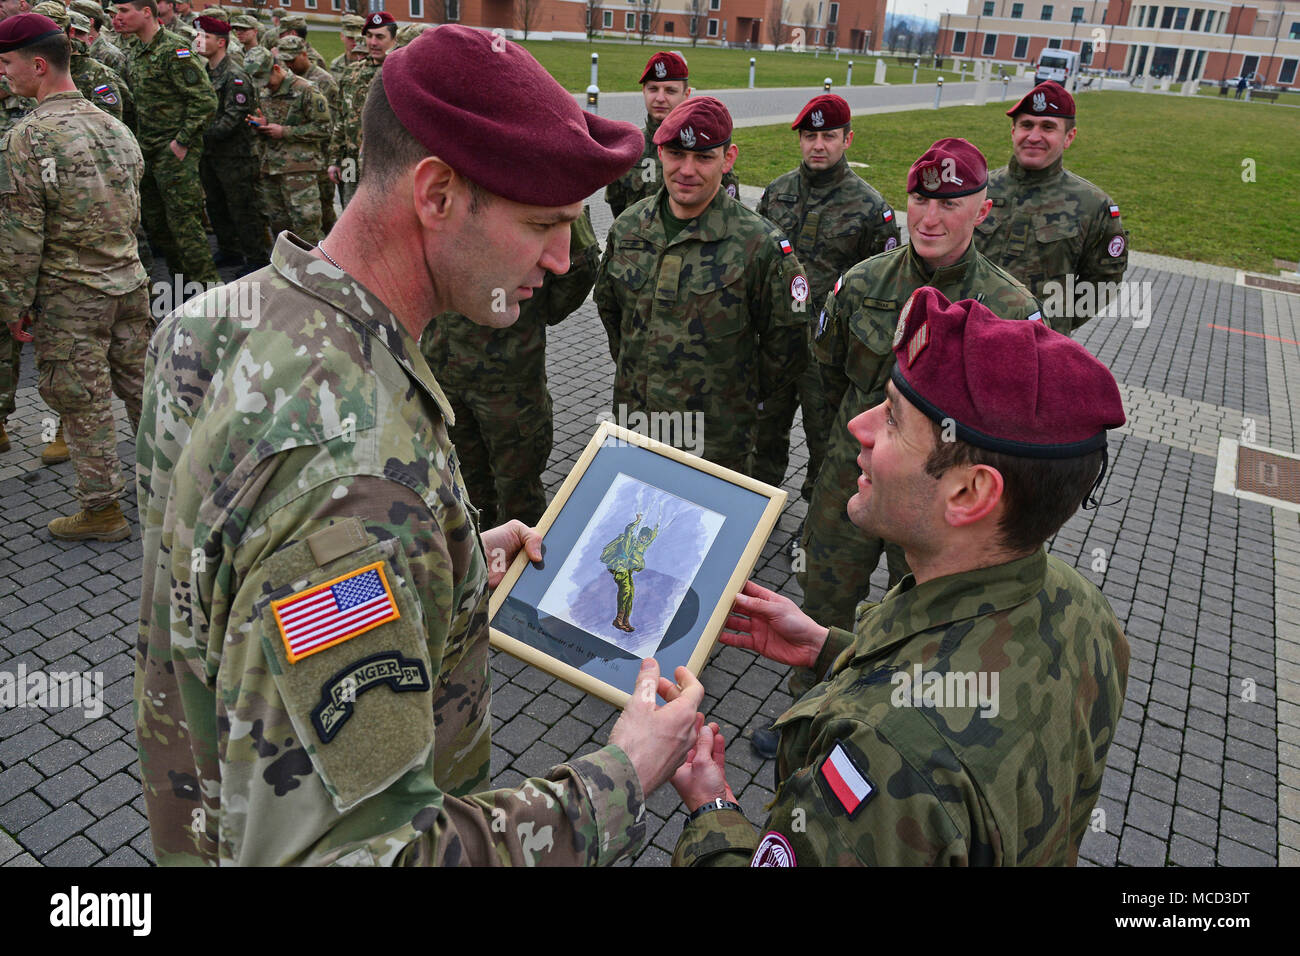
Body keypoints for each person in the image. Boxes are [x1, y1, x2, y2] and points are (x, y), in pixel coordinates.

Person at [135, 23, 707, 867]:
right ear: (435, 194)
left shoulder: (209, 324)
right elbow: (370, 858)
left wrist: (441, 562)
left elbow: (249, 579)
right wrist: (622, 774)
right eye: (543, 222)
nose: (559, 261)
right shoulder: (361, 478)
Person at [670, 287, 1130, 866]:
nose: (858, 428)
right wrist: (832, 650)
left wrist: (711, 809)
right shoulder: (1081, 605)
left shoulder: (886, 753)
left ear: (969, 492)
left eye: (890, 418)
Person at [799, 138, 1041, 638]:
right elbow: (825, 385)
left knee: (920, 627)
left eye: (949, 204)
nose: (929, 218)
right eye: (919, 200)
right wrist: (834, 458)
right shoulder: (862, 284)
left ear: (982, 211)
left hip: (937, 502)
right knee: (820, 609)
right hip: (851, 480)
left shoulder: (1010, 310)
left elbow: (1019, 433)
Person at [593, 96, 808, 475]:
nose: (687, 169)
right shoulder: (629, 228)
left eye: (704, 157)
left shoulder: (760, 246)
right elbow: (612, 312)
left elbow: (786, 349)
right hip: (636, 423)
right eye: (676, 153)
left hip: (715, 443)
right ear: (659, 152)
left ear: (728, 159)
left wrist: (734, 397)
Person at [0, 13, 150, 540]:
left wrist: (13, 306)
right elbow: (132, 211)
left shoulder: (29, 136)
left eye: (7, 63)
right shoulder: (115, 126)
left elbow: (21, 237)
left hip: (71, 295)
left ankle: (102, 511)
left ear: (38, 65)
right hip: (128, 281)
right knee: (142, 391)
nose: (4, 74)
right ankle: (170, 487)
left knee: (82, 401)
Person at [754, 93, 900, 506]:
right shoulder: (777, 193)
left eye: (829, 136)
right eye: (810, 136)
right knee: (762, 436)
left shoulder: (873, 209)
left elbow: (884, 291)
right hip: (775, 345)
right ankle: (755, 516)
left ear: (847, 139)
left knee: (829, 448)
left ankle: (816, 534)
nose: (819, 145)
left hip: (831, 357)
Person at [418, 210, 599, 528]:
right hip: (442, 374)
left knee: (519, 494)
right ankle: (478, 571)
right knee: (461, 487)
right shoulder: (435, 175)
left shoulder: (536, 173)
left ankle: (520, 574)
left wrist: (532, 315)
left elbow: (580, 265)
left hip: (508, 380)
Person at [975, 81, 1128, 333]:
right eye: (1026, 125)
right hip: (968, 335)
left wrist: (1054, 325)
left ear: (1069, 137)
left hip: (1040, 349)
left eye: (1048, 127)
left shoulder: (1094, 205)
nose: (1034, 137)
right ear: (1013, 131)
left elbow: (1103, 283)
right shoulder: (978, 190)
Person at [115, 0, 219, 286]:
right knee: (159, 226)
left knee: (185, 226)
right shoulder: (135, 51)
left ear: (146, 12)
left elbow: (205, 100)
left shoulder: (174, 49)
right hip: (148, 150)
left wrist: (181, 143)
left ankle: (211, 296)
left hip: (174, 153)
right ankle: (182, 287)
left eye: (124, 11)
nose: (117, 17)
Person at [603, 50, 737, 220]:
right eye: (653, 89)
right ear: (643, 90)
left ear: (686, 94)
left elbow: (730, 216)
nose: (660, 98)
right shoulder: (627, 148)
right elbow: (619, 210)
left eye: (670, 91)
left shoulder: (708, 151)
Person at [195, 13, 265, 268]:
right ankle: (229, 249)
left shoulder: (235, 75)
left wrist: (195, 134)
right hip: (210, 153)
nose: (198, 41)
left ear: (221, 42)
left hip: (235, 156)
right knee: (216, 205)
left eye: (205, 37)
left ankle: (256, 258)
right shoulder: (205, 72)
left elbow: (233, 117)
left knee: (242, 208)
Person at [246, 46, 329, 244]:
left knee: (307, 227)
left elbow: (324, 128)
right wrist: (262, 125)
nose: (265, 86)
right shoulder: (264, 90)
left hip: (300, 172)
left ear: (276, 68)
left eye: (266, 81)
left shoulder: (306, 89)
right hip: (272, 168)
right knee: (280, 227)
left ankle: (319, 272)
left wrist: (285, 131)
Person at [327, 10, 392, 210]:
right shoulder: (352, 73)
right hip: (350, 161)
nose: (373, 42)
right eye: (369, 36)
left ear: (393, 38)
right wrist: (334, 160)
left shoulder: (398, 73)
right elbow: (341, 118)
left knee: (380, 214)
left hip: (384, 163)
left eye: (380, 37)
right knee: (349, 209)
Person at [278, 32, 336, 235]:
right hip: (300, 157)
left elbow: (332, 124)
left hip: (322, 155)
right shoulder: (288, 80)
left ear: (304, 54)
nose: (288, 65)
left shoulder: (323, 81)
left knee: (324, 209)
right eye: (284, 61)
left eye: (292, 60)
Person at [602, 513, 659, 632]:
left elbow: (652, 538)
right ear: (640, 535)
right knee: (626, 589)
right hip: (620, 566)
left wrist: (657, 527)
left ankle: (625, 620)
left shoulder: (643, 546)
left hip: (628, 571)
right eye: (643, 536)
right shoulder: (631, 541)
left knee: (631, 593)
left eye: (646, 538)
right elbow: (628, 530)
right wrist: (637, 521)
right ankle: (618, 619)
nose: (644, 539)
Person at [329, 12, 363, 77]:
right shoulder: (335, 65)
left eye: (358, 38)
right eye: (350, 37)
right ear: (342, 36)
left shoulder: (372, 63)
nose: (355, 41)